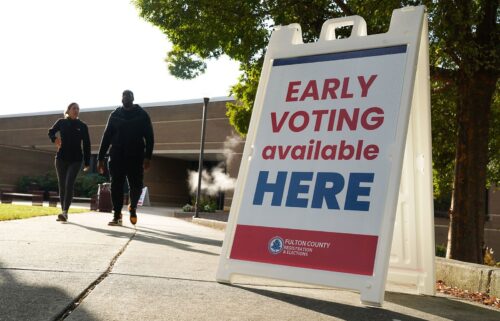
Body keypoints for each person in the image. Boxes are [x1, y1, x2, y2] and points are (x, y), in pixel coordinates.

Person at [97, 90, 154, 226]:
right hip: (117, 155)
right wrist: (100, 158)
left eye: (128, 96)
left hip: (136, 156)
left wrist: (148, 157)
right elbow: (106, 137)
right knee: (116, 185)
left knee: (137, 186)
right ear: (121, 99)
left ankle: (132, 206)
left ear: (133, 98)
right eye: (124, 96)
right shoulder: (115, 115)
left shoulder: (142, 115)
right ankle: (117, 214)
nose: (126, 98)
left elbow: (150, 137)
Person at [48, 102, 91, 222]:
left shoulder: (82, 126)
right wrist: (54, 138)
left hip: (76, 160)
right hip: (61, 159)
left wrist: (87, 162)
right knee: (62, 185)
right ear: (68, 110)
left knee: (69, 184)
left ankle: (65, 211)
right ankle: (63, 212)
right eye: (74, 108)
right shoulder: (61, 122)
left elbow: (87, 144)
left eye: (78, 108)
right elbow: (51, 131)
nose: (76, 110)